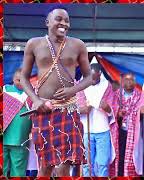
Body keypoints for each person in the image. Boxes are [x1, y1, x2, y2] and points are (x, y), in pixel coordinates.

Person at [20, 5, 92, 176]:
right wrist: (36, 101)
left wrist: (72, 90)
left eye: (67, 21)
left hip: (69, 110)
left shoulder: (78, 45)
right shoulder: (33, 44)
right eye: (59, 19)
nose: (64, 23)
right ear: (47, 22)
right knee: (46, 165)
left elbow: (89, 78)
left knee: (65, 165)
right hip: (43, 110)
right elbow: (24, 77)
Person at [106, 73, 144, 176]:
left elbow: (142, 114)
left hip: (133, 133)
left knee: (131, 158)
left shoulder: (140, 96)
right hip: (119, 133)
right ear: (122, 81)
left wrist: (140, 112)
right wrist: (118, 114)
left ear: (135, 82)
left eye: (131, 80)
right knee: (119, 157)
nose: (129, 82)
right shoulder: (116, 95)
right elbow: (110, 113)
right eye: (126, 79)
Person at [78, 60, 115, 176]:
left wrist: (108, 108)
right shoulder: (80, 86)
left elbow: (113, 111)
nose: (92, 81)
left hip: (103, 130)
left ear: (100, 74)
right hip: (86, 131)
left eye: (94, 78)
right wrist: (82, 110)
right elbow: (73, 109)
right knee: (87, 164)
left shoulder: (107, 87)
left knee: (102, 163)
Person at [3, 69, 32, 177]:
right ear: (13, 79)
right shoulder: (5, 90)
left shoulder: (32, 95)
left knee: (19, 172)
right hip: (4, 138)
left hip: (21, 141)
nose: (21, 83)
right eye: (18, 80)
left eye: (24, 80)